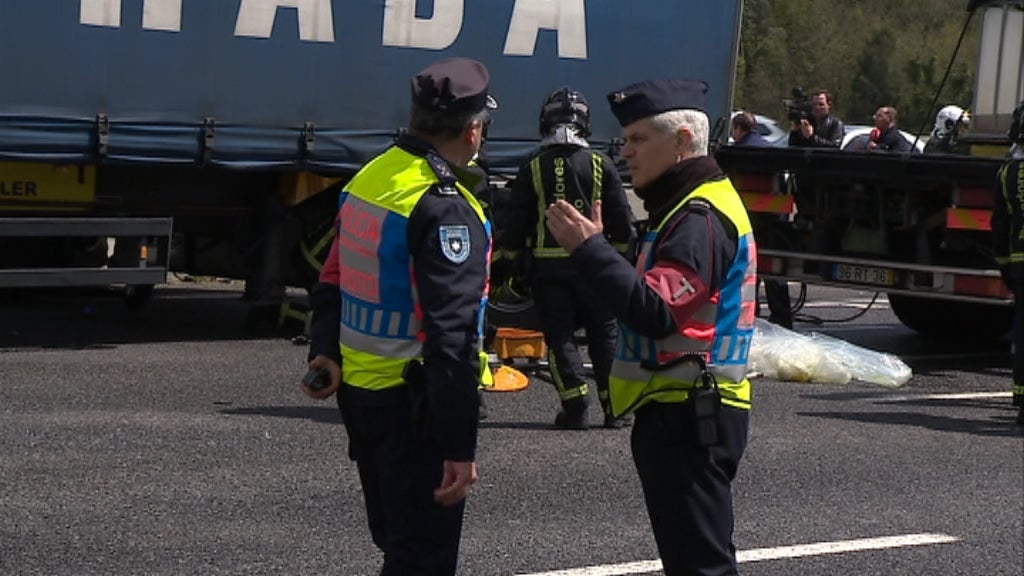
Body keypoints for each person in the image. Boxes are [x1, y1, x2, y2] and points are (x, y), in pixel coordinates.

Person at [545, 78, 756, 576]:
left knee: (701, 567)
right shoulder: (687, 207)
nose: (626, 151)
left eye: (639, 139)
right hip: (685, 409)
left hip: (691, 414)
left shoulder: (700, 217)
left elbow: (657, 311)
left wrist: (591, 251)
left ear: (682, 141)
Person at [302, 57, 497, 575]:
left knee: (400, 545)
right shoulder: (444, 205)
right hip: (416, 409)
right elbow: (452, 336)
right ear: (473, 131)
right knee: (423, 558)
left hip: (362, 398)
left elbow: (333, 277)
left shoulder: (370, 178)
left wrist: (325, 350)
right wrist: (458, 444)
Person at [503, 87, 637, 429]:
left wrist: (514, 268)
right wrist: (620, 266)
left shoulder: (533, 166)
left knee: (560, 337)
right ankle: (615, 408)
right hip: (595, 268)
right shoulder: (601, 164)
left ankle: (575, 404)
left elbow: (516, 224)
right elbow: (623, 224)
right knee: (604, 336)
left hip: (549, 272)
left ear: (545, 121)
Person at [731, 110, 792, 328]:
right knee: (773, 272)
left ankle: (750, 314)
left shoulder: (734, 153)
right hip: (772, 221)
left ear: (739, 129)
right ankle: (782, 318)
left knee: (748, 268)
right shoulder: (771, 151)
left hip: (747, 221)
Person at [992, 99, 1024, 426]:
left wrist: (1003, 264)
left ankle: (1021, 396)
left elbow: (999, 226)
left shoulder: (1007, 172)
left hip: (1018, 260)